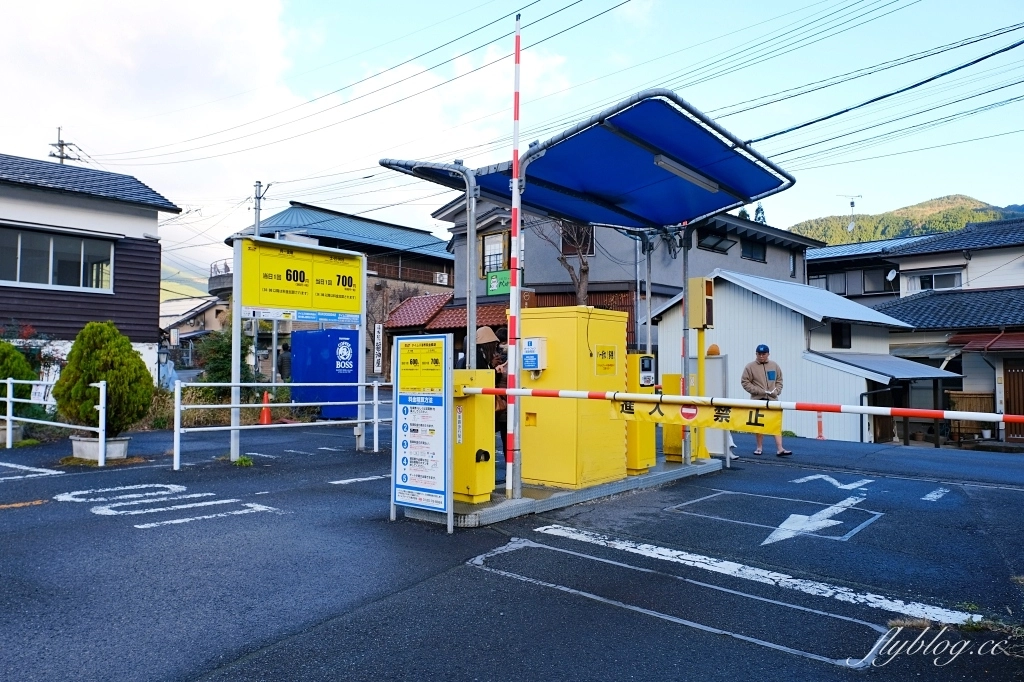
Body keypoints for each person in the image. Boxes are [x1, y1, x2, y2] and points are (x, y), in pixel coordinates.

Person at [740, 344, 792, 457]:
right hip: (757, 399)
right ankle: (759, 447)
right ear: (756, 354)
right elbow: (745, 382)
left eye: (764, 354)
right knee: (759, 425)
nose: (761, 356)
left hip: (773, 399)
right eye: (759, 354)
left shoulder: (774, 365)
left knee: (775, 424)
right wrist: (757, 391)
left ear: (768, 354)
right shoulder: (750, 367)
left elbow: (779, 380)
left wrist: (777, 391)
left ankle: (780, 448)